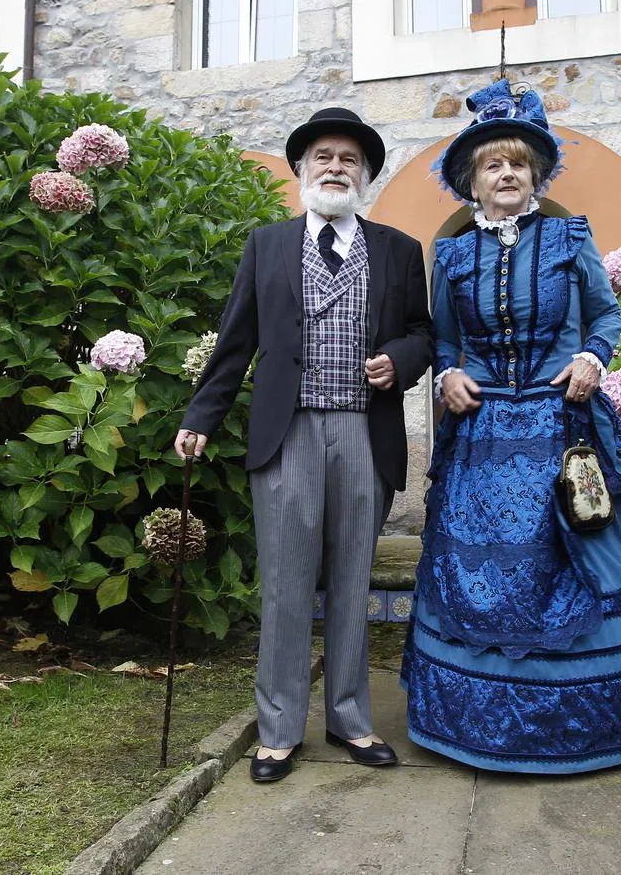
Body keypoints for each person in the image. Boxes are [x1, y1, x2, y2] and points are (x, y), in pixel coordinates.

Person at [401, 80, 621, 773]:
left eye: (517, 164)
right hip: (481, 434)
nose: (506, 175)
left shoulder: (569, 237)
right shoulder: (451, 257)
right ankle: (478, 724)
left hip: (555, 426)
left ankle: (604, 721)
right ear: (469, 182)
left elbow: (605, 315)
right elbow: (445, 340)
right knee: (476, 567)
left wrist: (595, 357)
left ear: (535, 176)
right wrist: (448, 375)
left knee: (575, 558)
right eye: (491, 165)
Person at [176, 108, 435, 783]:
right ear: (300, 169)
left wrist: (399, 361)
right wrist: (202, 414)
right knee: (288, 585)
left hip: (363, 432)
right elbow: (236, 340)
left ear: (366, 175)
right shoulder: (266, 245)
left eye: (350, 159)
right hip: (286, 433)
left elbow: (422, 333)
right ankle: (280, 728)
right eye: (322, 155)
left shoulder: (400, 250)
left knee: (352, 580)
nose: (335, 167)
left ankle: (350, 718)